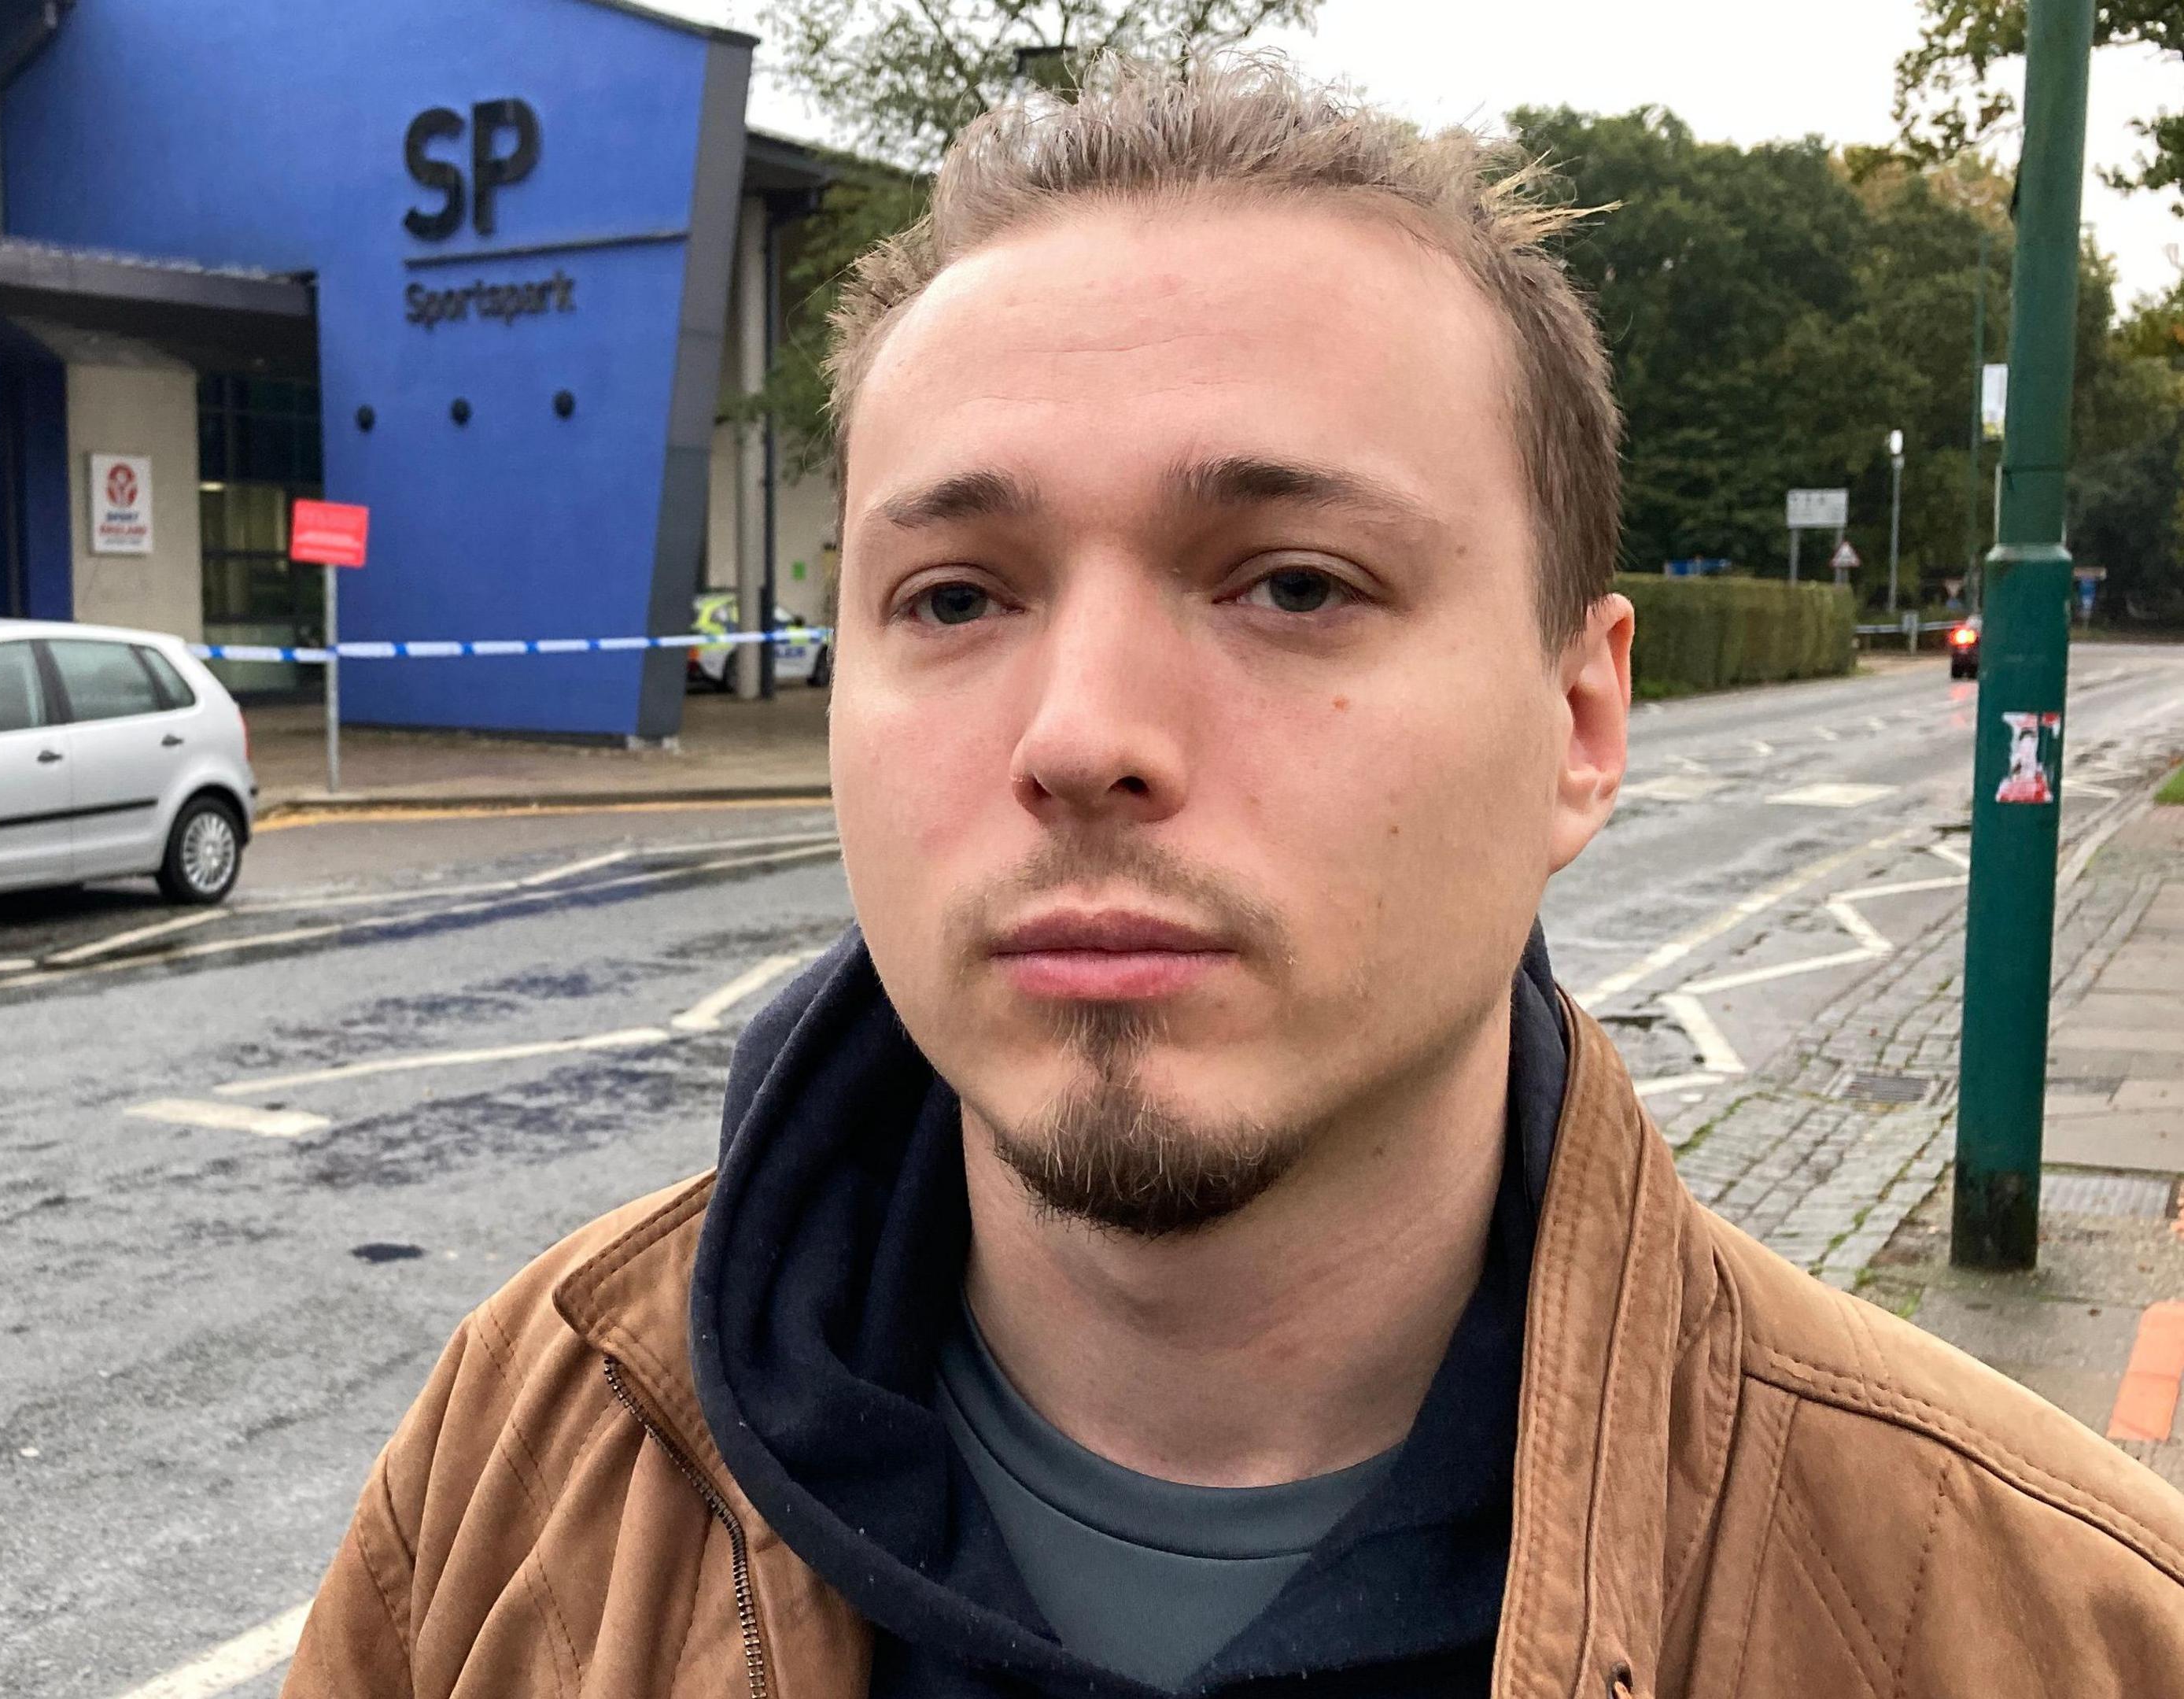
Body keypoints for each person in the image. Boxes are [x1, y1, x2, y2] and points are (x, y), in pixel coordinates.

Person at [286, 55, 2184, 1699]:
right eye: (953, 598)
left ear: (1583, 722)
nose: (1082, 734)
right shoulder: (520, 1464)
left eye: (1294, 582)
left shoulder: (2050, 1620)